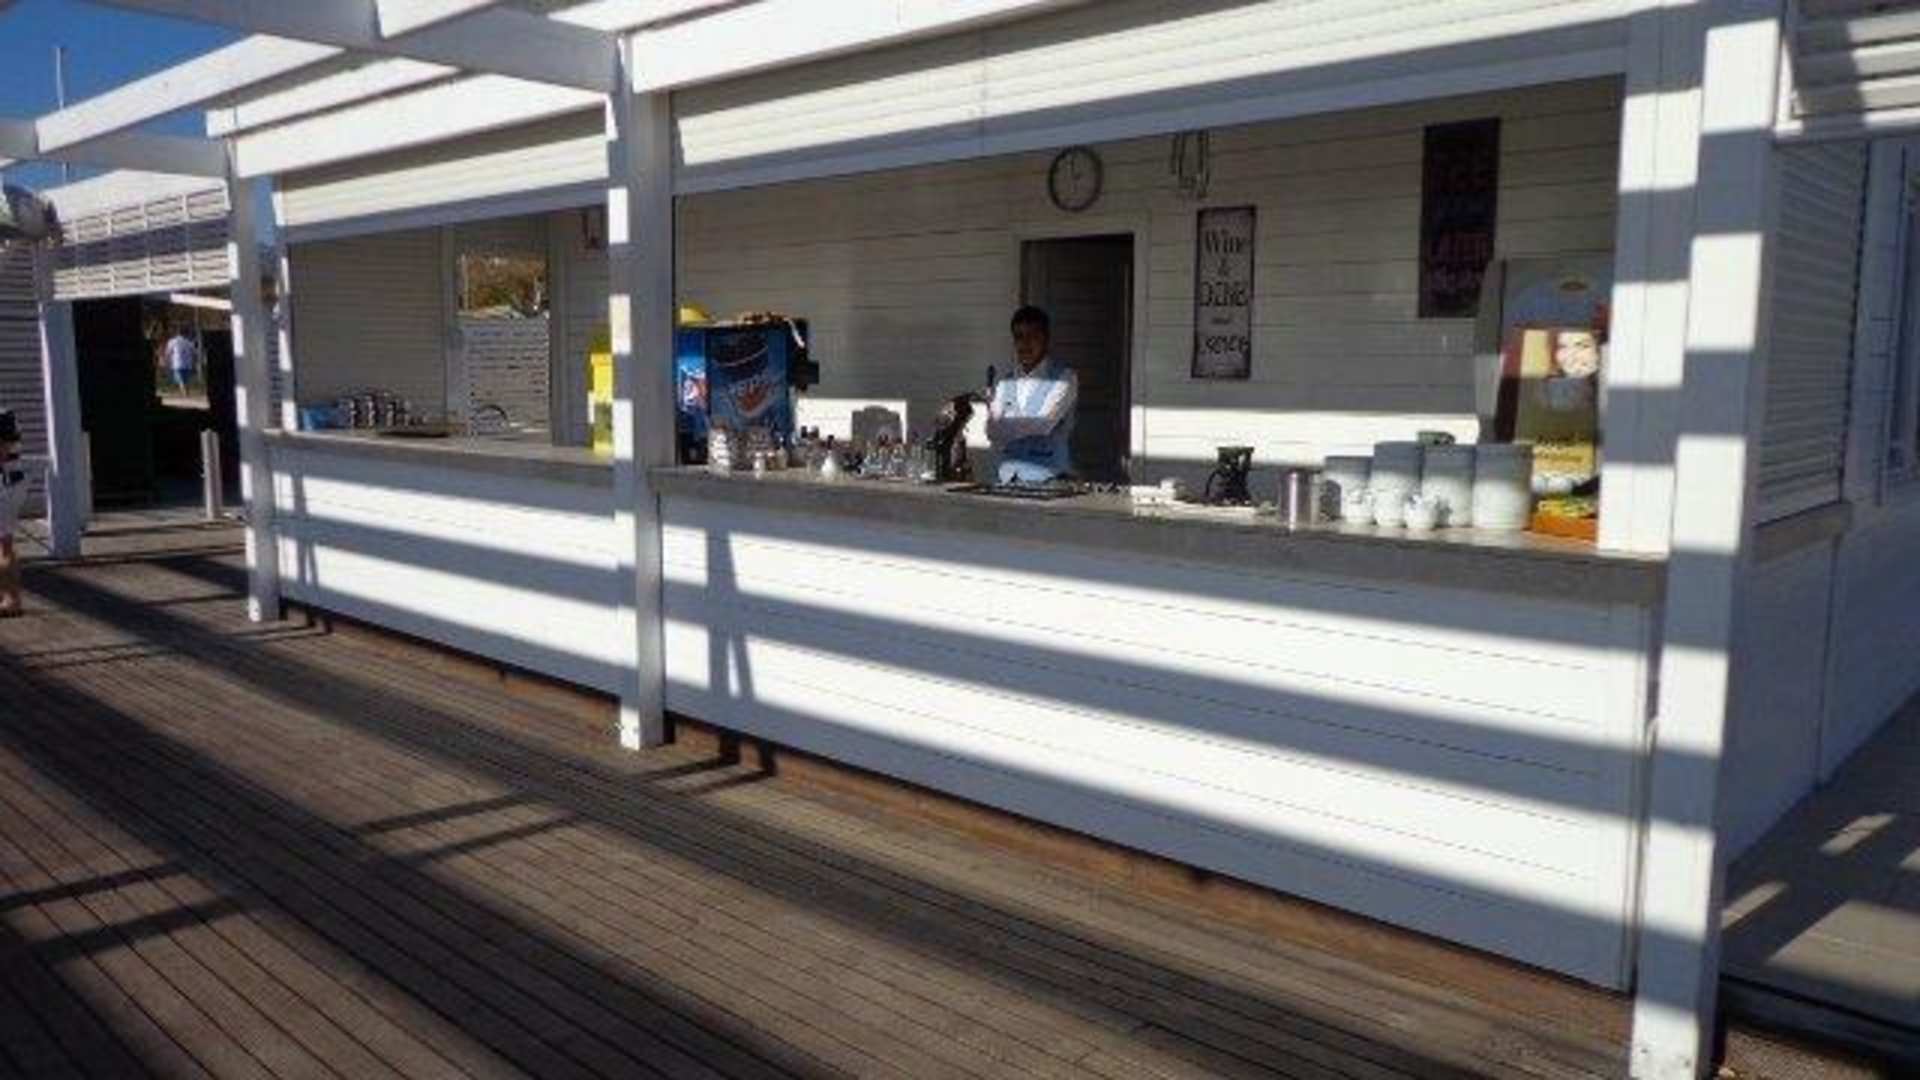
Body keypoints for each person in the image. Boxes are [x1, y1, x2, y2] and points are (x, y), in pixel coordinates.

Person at [985, 305, 1078, 484]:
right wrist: (1008, 426)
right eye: (1019, 337)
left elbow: (1042, 424)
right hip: (1007, 478)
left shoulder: (1064, 378)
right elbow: (991, 431)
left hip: (1049, 479)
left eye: (1033, 336)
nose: (1025, 343)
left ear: (1046, 339)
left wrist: (1005, 425)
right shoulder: (1005, 382)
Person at [0, 409, 29, 617]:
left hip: (6, 486)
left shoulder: (2, 417)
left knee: (5, 545)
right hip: (9, 482)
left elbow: (2, 451)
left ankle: (12, 600)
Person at [163, 328, 198, 393]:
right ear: (186, 334)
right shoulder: (189, 342)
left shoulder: (172, 341)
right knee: (186, 380)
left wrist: (166, 361)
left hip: (177, 364)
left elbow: (167, 353)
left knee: (180, 380)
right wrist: (194, 362)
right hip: (188, 364)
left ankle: (185, 392)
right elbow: (194, 353)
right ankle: (186, 392)